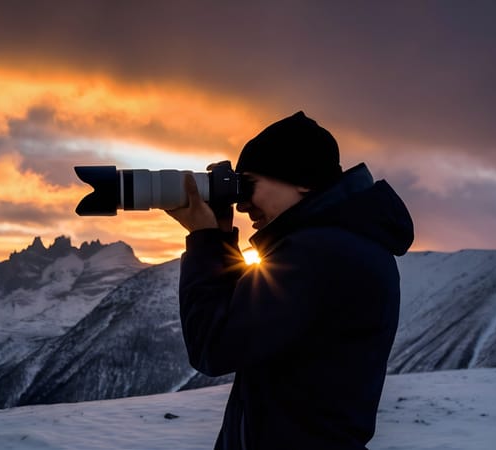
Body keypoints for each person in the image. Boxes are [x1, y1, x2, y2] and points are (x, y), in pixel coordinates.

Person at [165, 111, 414, 449]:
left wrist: (204, 239)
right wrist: (220, 238)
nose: (244, 204)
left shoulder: (317, 253)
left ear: (302, 179)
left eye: (249, 185)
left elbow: (215, 344)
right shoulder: (345, 245)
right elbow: (246, 324)